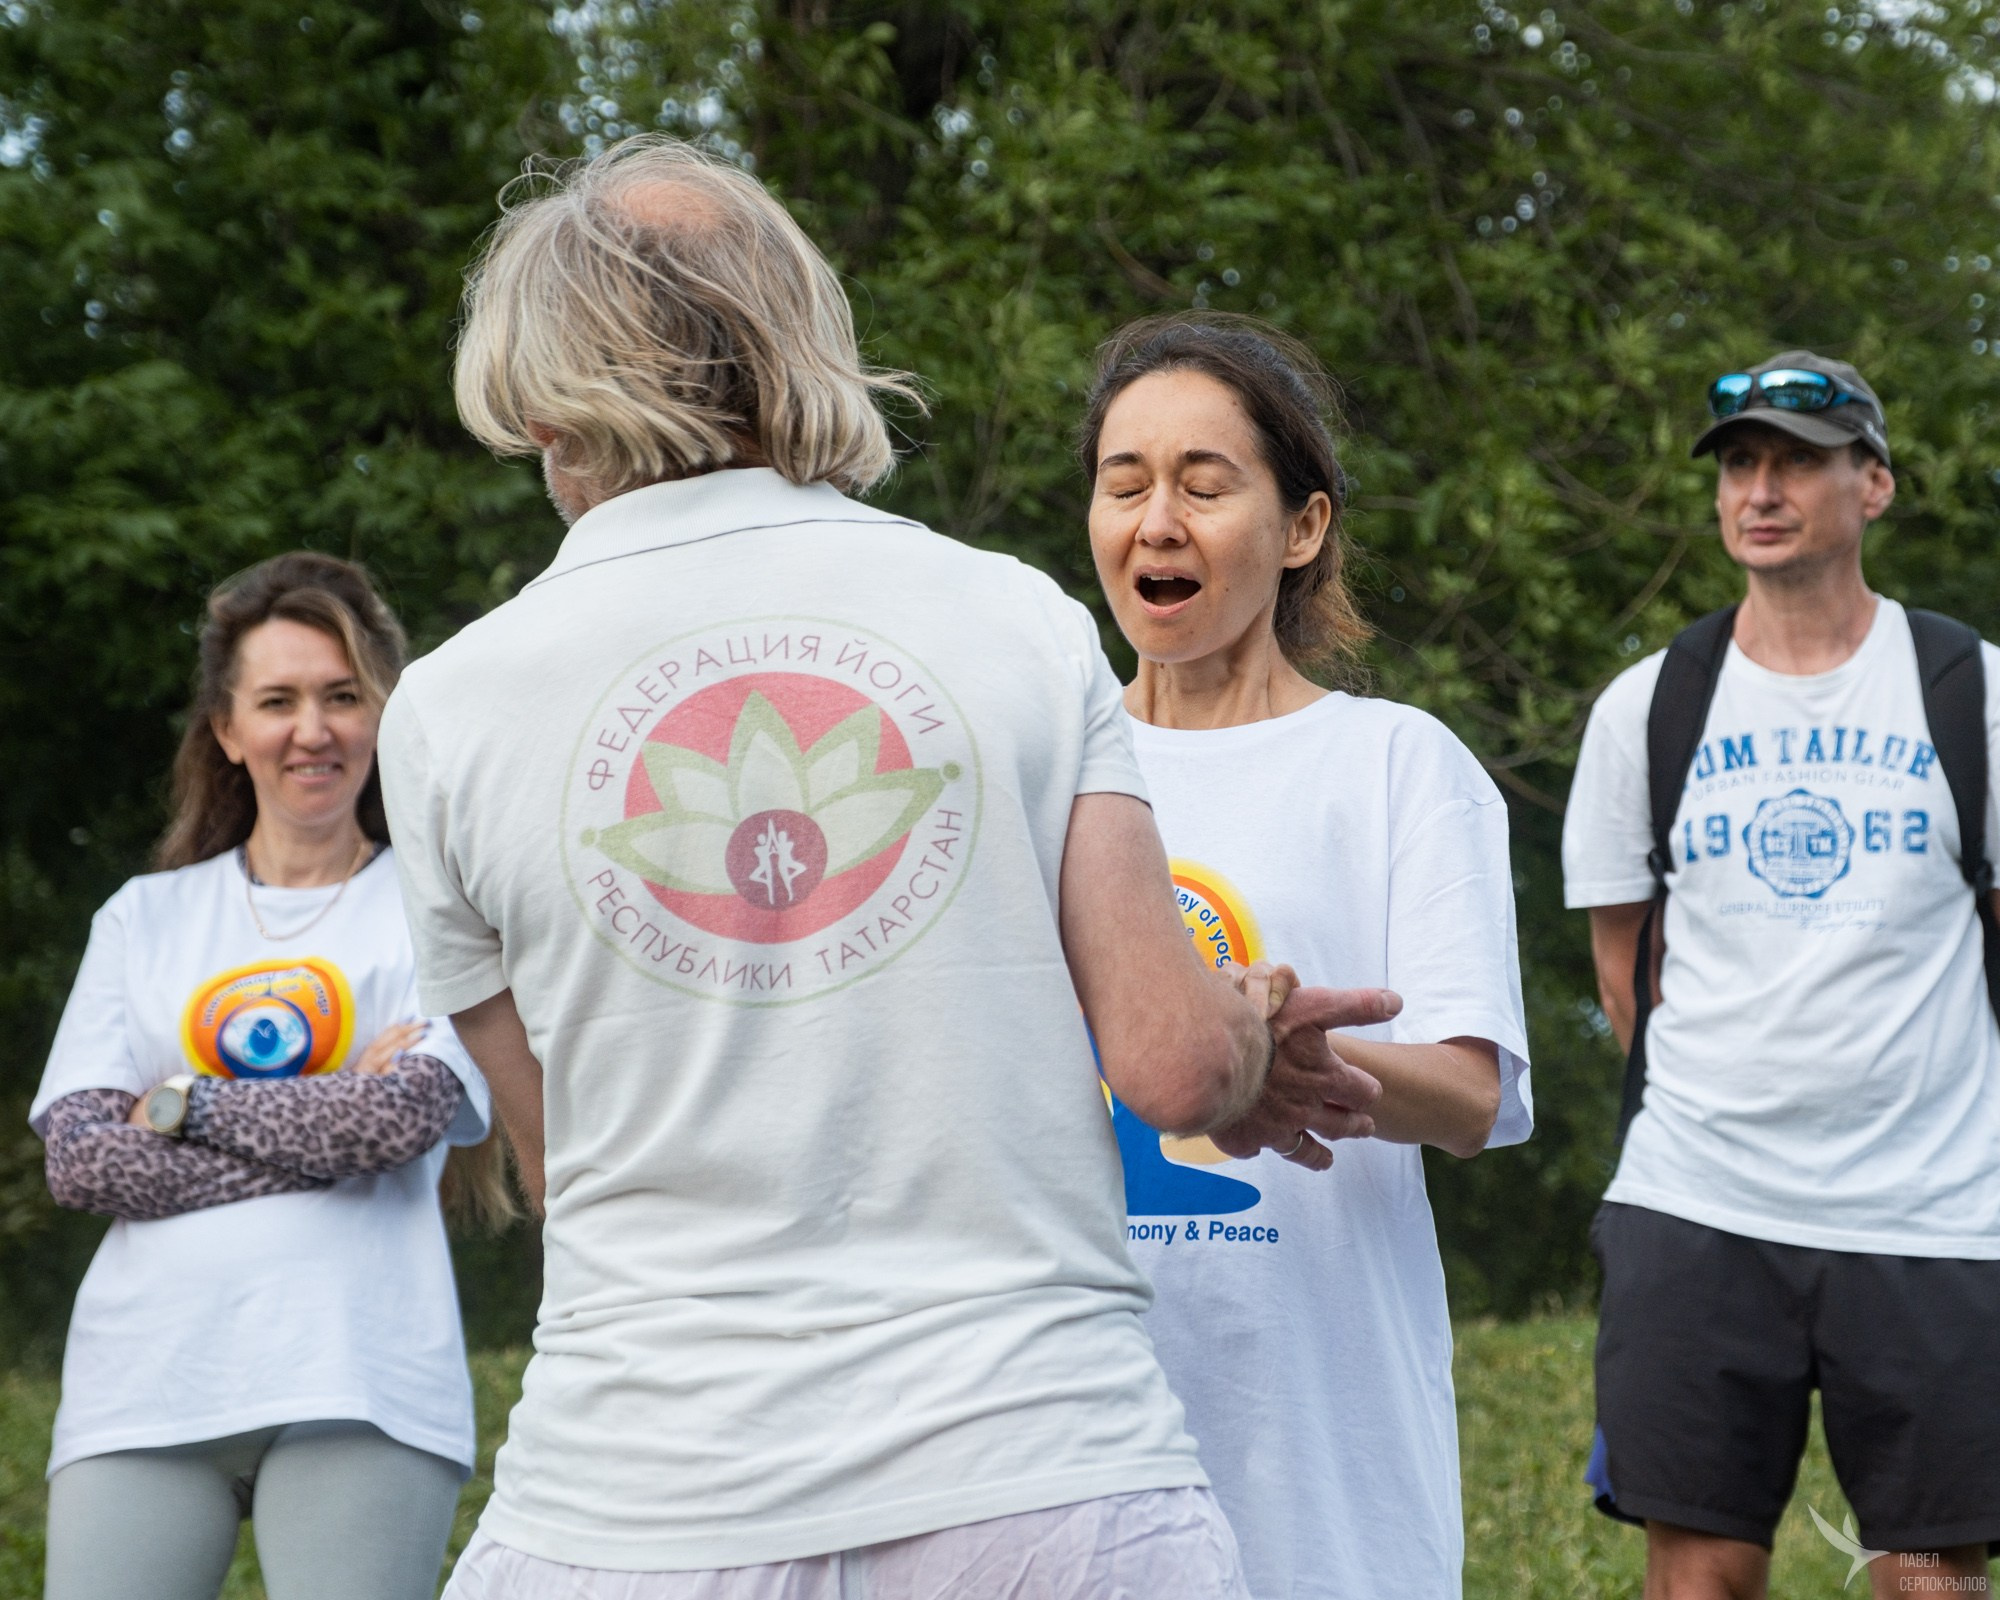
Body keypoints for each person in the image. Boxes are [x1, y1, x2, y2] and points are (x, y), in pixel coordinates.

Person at [379, 134, 1389, 1599]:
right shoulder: (1012, 619)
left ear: (542, 392)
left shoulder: (447, 710)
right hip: (1040, 1475)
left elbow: (560, 1163)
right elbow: (1172, 1072)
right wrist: (1248, 1033)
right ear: (799, 335)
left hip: (631, 1513)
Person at [1079, 313, 1533, 1599]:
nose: (1155, 521)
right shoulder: (1035, 767)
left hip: (1323, 1456)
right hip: (1069, 1433)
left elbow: (1474, 1091)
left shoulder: (1395, 765)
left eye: (1202, 485)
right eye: (1124, 485)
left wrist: (1281, 1065)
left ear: (1301, 529)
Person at [1564, 351, 2000, 1598]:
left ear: (1873, 486)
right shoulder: (1648, 707)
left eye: (1796, 463)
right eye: (1740, 464)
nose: (1760, 489)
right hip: (1701, 1203)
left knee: (1929, 1577)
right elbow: (1621, 979)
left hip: (1927, 1210)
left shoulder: (1966, 692)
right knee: (1699, 1574)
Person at [30, 552, 507, 1600]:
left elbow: (401, 1116)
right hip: (142, 1386)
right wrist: (329, 1124)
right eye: (279, 700)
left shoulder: (435, 907)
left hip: (362, 1381)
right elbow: (85, 1161)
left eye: (344, 697)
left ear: (381, 717)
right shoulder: (143, 917)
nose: (314, 729)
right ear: (227, 729)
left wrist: (182, 1102)